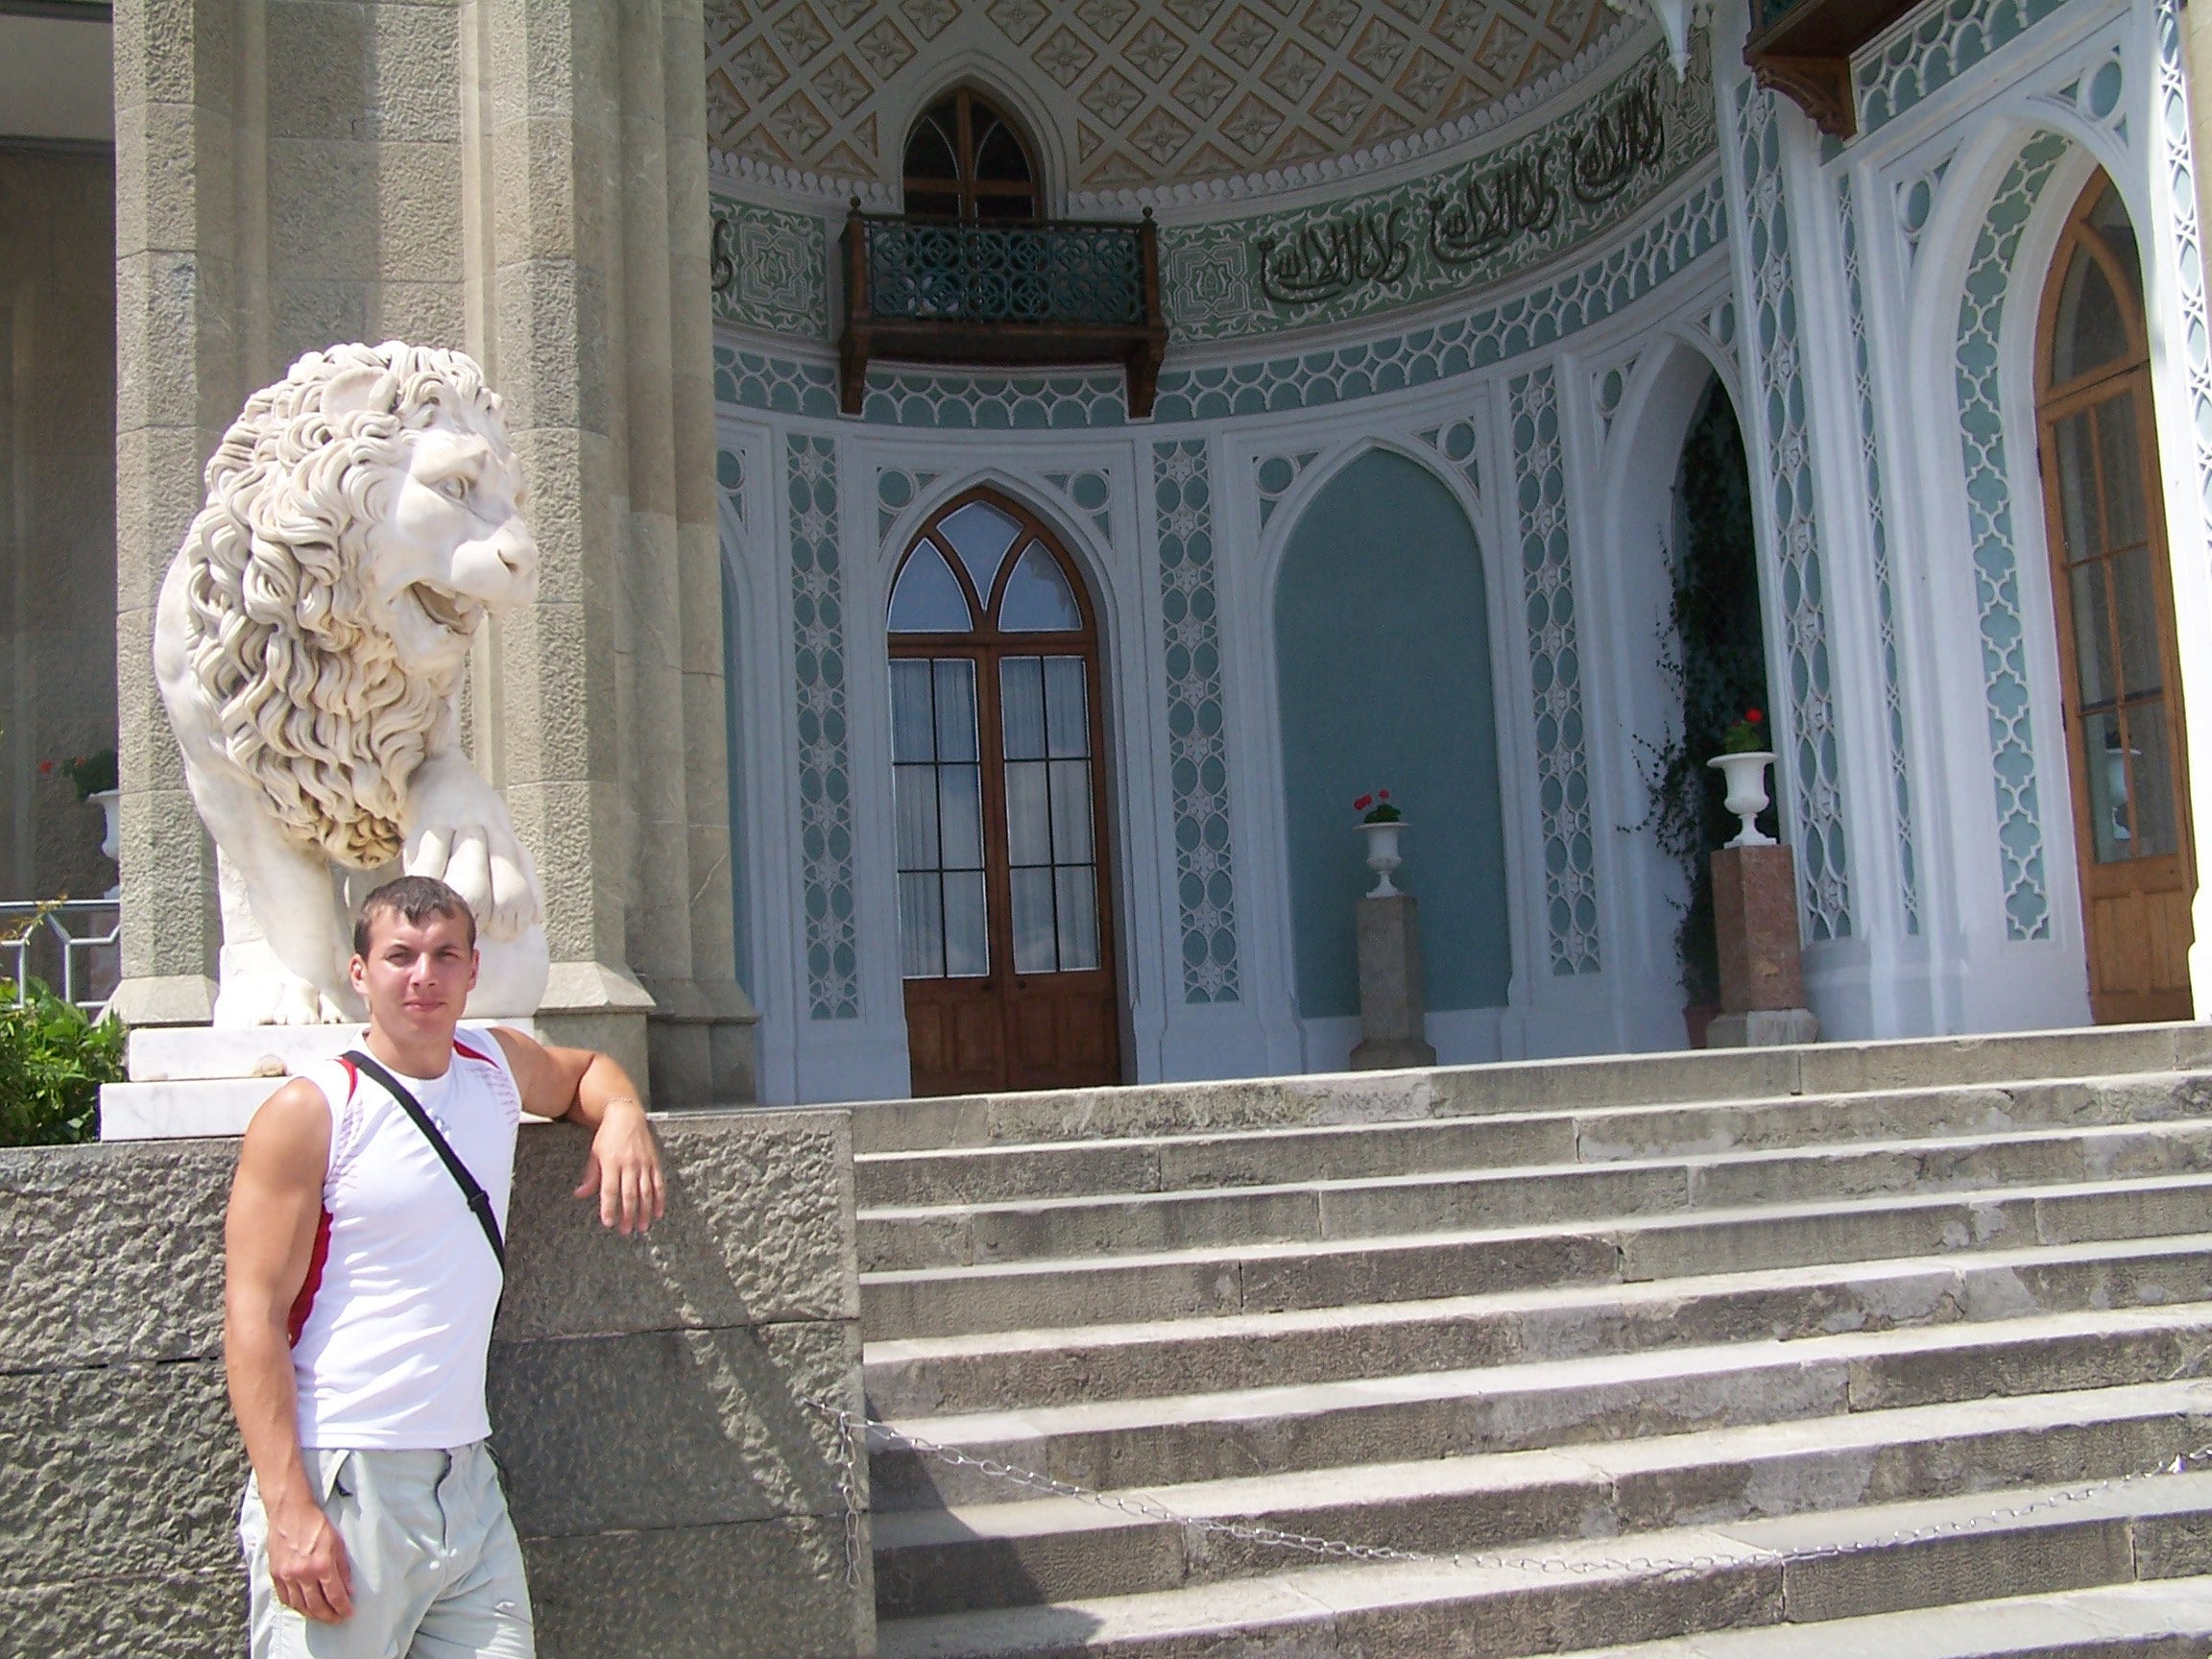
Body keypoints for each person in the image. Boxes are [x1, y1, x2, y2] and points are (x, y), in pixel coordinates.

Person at [223, 875, 665, 1658]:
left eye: (443, 955)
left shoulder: (493, 1064)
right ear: (359, 973)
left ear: (472, 970)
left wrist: (624, 1115)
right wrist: (289, 1509)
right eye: (399, 956)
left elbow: (585, 1072)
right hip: (346, 1476)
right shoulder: (312, 1110)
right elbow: (252, 1315)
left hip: (466, 1482)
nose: (422, 975)